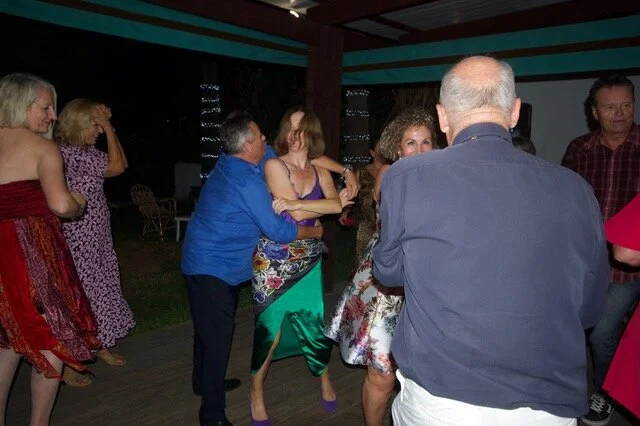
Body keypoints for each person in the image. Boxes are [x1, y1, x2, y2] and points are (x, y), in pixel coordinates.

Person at [373, 56, 609, 425]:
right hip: (546, 405)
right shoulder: (576, 190)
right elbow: (590, 308)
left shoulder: (407, 177)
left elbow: (388, 272)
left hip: (441, 401)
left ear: (442, 117)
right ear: (514, 111)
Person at [181, 109, 355, 426]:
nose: (266, 139)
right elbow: (279, 230)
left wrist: (345, 170)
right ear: (248, 145)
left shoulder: (240, 158)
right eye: (260, 137)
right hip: (212, 265)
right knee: (219, 337)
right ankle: (212, 415)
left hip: (207, 259)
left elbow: (308, 154)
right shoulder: (246, 179)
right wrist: (314, 232)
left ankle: (202, 381)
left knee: (206, 330)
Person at [325, 107, 437, 426]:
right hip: (388, 280)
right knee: (382, 372)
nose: (419, 149)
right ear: (397, 147)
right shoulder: (390, 174)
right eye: (411, 142)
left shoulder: (440, 176)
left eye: (426, 142)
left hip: (427, 279)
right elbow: (399, 225)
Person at [0, 72, 98, 426]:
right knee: (51, 333)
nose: (53, 115)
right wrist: (78, 202)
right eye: (46, 107)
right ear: (20, 105)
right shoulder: (42, 148)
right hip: (31, 253)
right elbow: (61, 205)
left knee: (7, 340)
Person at [249, 106, 353, 425]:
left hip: (308, 260)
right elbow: (300, 215)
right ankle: (256, 392)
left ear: (311, 133)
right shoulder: (274, 165)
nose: (293, 135)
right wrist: (319, 206)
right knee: (270, 333)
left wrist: (299, 202)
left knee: (314, 326)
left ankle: (325, 380)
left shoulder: (320, 170)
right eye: (289, 128)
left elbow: (335, 207)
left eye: (300, 128)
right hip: (273, 263)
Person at [561, 74, 639, 426]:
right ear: (594, 112)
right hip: (585, 262)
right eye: (610, 107)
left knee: (602, 331)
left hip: (629, 267)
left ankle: (606, 392)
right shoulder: (580, 149)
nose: (620, 114)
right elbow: (565, 201)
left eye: (626, 105)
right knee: (576, 326)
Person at [54, 99, 135, 386]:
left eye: (99, 126)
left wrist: (107, 125)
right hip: (77, 236)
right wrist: (109, 126)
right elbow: (117, 166)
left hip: (96, 235)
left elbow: (121, 164)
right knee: (81, 295)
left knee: (99, 288)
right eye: (94, 125)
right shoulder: (66, 154)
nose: (98, 131)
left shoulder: (85, 152)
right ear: (77, 124)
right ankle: (69, 361)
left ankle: (98, 344)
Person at [601, 194, 640, 420]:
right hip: (591, 262)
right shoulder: (579, 164)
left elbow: (627, 252)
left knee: (600, 332)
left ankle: (605, 392)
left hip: (625, 276)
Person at [338, 139, 384, 262]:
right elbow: (353, 195)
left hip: (385, 223)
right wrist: (345, 212)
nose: (382, 151)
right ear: (372, 152)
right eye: (379, 149)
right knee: (363, 261)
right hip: (366, 224)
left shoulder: (390, 170)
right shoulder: (362, 172)